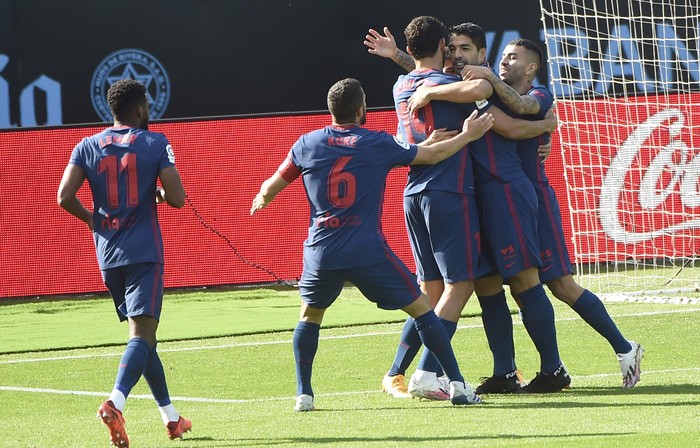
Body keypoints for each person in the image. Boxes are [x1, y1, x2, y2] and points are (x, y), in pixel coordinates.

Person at [250, 77, 495, 411]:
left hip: (322, 251)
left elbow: (270, 187)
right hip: (366, 251)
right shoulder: (376, 142)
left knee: (309, 317)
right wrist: (468, 134)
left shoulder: (307, 144)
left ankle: (303, 395)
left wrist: (261, 200)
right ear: (361, 108)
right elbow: (432, 154)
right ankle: (457, 386)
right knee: (423, 310)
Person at [368, 22, 568, 395]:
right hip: (458, 194)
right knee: (467, 285)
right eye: (452, 48)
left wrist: (546, 126)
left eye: (465, 49)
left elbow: (509, 120)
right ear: (443, 49)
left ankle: (525, 370)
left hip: (487, 193)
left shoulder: (419, 85)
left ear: (482, 55)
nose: (457, 55)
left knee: (501, 282)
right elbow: (462, 88)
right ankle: (432, 373)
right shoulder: (450, 86)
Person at [456, 38, 643, 390]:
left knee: (559, 284)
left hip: (534, 201)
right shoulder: (491, 94)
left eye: (513, 58)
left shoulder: (540, 96)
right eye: (503, 57)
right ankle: (510, 372)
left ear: (531, 68)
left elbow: (522, 110)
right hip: (505, 200)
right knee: (502, 283)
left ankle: (622, 348)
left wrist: (543, 124)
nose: (504, 62)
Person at [57, 79, 191, 447]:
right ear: (139, 110)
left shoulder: (86, 145)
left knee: (145, 340)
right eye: (146, 105)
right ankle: (115, 403)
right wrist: (160, 192)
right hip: (144, 252)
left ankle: (172, 418)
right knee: (142, 336)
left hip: (108, 254)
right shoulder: (156, 142)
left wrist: (92, 220)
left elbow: (63, 197)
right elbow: (178, 198)